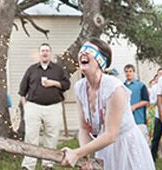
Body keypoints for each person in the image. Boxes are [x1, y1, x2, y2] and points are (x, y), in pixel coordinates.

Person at [61, 38, 154, 170]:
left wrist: (76, 153)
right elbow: (83, 128)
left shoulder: (114, 88)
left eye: (89, 50)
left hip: (126, 147)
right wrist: (85, 157)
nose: (83, 53)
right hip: (103, 147)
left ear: (101, 60)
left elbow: (111, 135)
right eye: (81, 50)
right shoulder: (79, 88)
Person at [19, 42, 71, 170]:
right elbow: (22, 90)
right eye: (42, 51)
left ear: (50, 53)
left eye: (47, 50)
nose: (45, 53)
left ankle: (48, 164)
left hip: (53, 107)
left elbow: (66, 85)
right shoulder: (31, 69)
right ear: (39, 53)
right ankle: (28, 165)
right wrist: (26, 107)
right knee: (31, 136)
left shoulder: (58, 69)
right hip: (33, 107)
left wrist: (54, 83)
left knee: (51, 136)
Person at [123, 64, 150, 141]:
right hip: (126, 121)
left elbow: (146, 100)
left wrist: (134, 107)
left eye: (130, 71)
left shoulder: (141, 85)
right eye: (126, 72)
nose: (128, 73)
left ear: (134, 72)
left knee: (142, 142)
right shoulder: (122, 86)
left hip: (139, 119)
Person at [149, 68, 162, 159]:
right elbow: (151, 102)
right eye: (160, 74)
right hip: (158, 115)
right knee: (157, 136)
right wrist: (158, 99)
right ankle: (154, 154)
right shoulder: (154, 88)